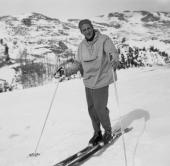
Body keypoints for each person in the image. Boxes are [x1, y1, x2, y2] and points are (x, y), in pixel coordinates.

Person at [55, 19, 119, 146]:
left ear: (92, 27)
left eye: (88, 28)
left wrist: (114, 59)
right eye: (84, 30)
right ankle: (97, 133)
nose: (87, 31)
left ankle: (108, 131)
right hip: (88, 82)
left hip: (101, 79)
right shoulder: (81, 46)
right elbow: (78, 64)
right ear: (81, 32)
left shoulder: (104, 40)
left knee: (100, 108)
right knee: (92, 109)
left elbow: (112, 52)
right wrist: (65, 71)